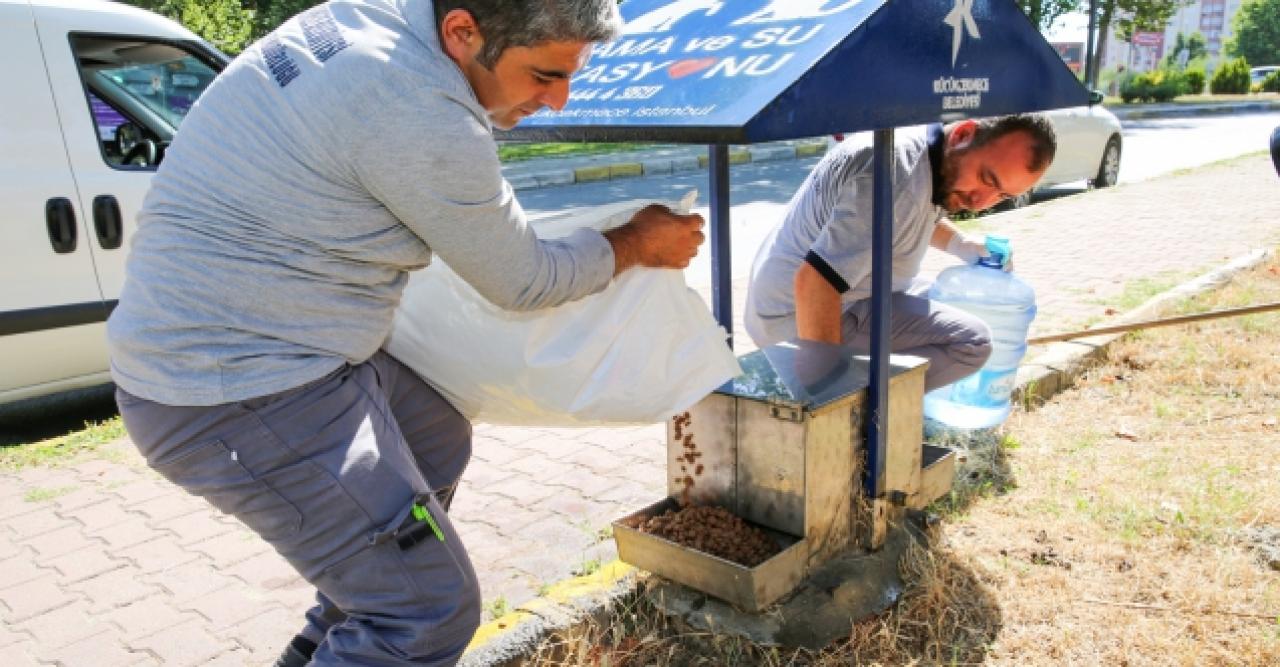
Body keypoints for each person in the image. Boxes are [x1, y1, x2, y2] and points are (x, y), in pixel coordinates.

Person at [105, 1, 705, 665]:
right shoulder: (419, 108)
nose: (558, 102)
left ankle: (350, 620)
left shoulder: (370, 17)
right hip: (236, 386)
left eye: (568, 77)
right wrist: (633, 242)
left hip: (262, 346)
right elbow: (524, 281)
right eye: (542, 76)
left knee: (434, 434)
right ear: (462, 31)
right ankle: (381, 609)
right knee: (427, 609)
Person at [744, 114, 1056, 391]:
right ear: (962, 134)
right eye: (987, 179)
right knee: (972, 343)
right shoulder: (894, 174)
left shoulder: (927, 154)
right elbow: (815, 283)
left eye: (1001, 196)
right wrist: (824, 387)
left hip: (803, 299)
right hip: (797, 319)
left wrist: (964, 246)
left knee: (946, 294)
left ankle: (869, 389)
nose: (980, 201)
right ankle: (868, 413)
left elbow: (908, 215)